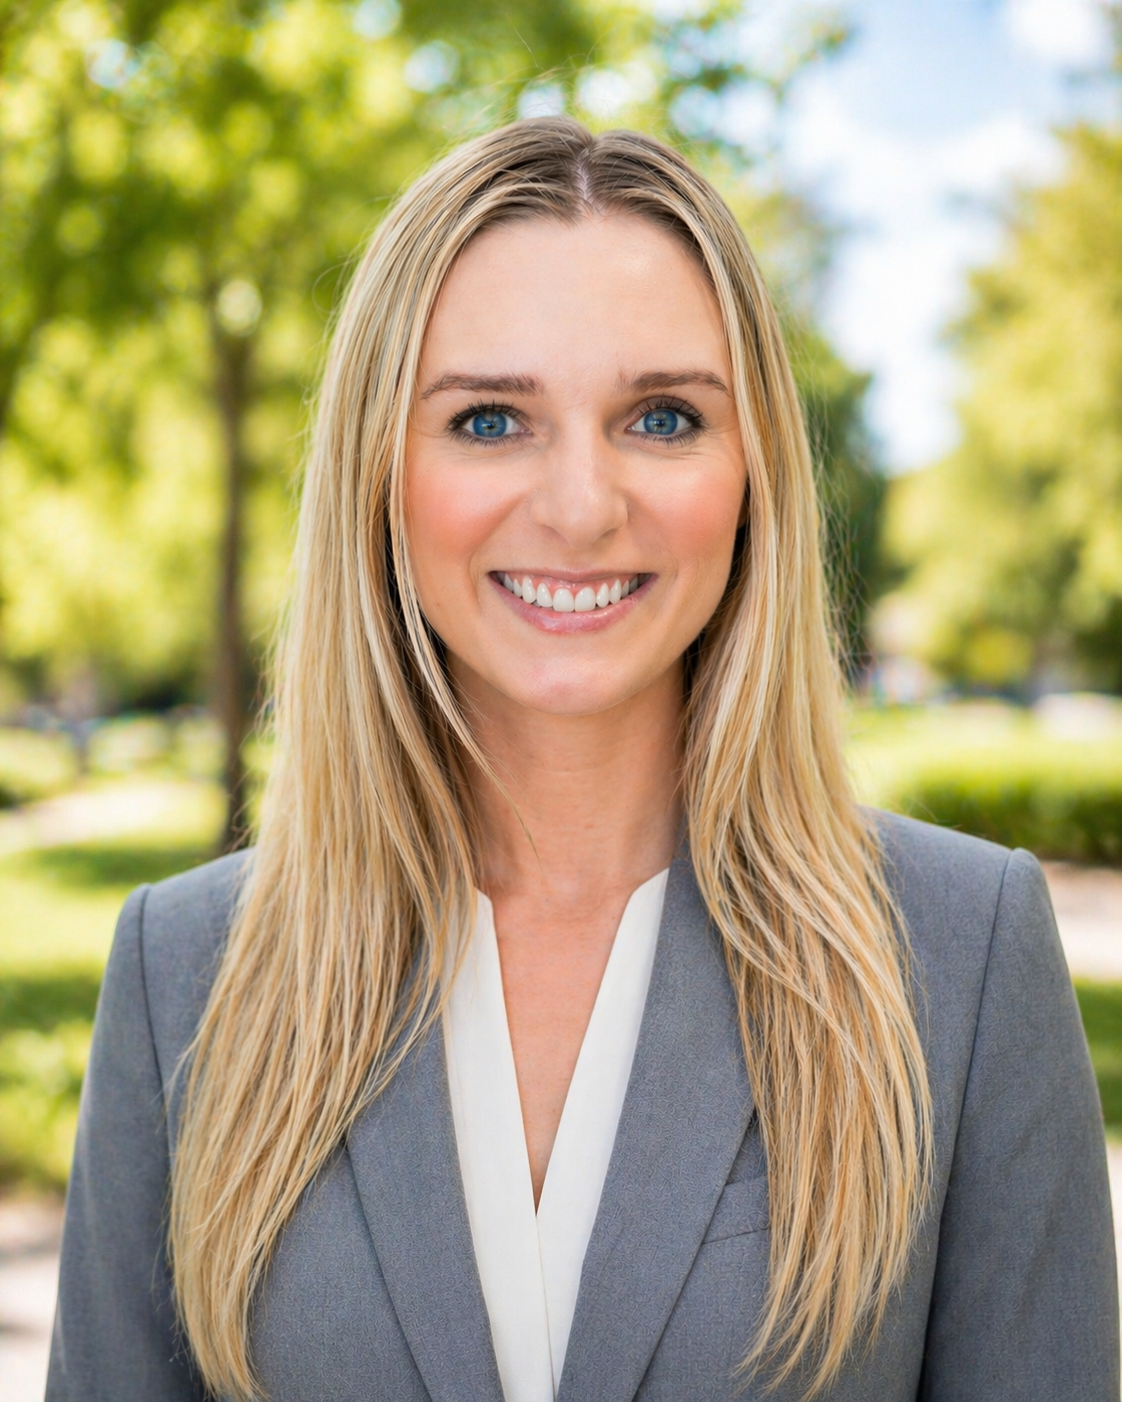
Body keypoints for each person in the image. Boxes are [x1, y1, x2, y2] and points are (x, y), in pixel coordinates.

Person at [46, 118, 1117, 1402]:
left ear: (754, 472)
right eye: (490, 418)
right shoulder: (184, 976)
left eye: (662, 417)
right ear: (379, 473)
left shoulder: (962, 958)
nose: (579, 504)